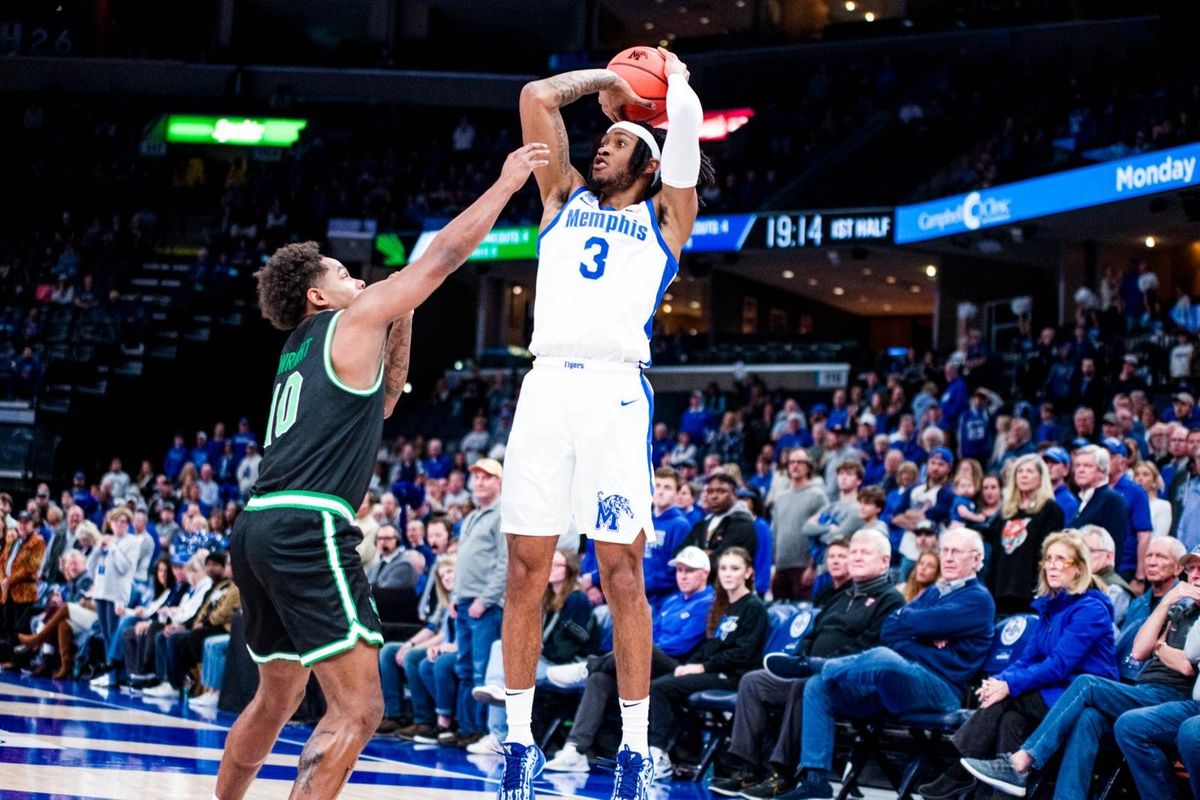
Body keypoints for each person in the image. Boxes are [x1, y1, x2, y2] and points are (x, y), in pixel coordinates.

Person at [214, 143, 549, 800]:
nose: (359, 279)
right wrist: (507, 183)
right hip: (308, 525)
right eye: (344, 272)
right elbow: (446, 256)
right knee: (360, 709)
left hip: (257, 527)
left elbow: (388, 398)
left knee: (276, 698)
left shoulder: (300, 348)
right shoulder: (349, 319)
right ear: (318, 293)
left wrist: (406, 314)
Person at [497, 45, 713, 799]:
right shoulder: (560, 197)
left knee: (622, 572)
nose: (603, 144)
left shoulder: (666, 218)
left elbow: (684, 129)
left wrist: (673, 85)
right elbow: (536, 96)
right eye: (605, 137)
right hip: (546, 386)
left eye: (617, 140)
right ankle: (519, 742)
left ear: (648, 165)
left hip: (618, 395)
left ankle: (634, 748)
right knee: (526, 569)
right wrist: (611, 85)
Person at [963, 541, 1200, 799]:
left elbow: (1188, 665)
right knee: (1088, 717)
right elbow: (1139, 651)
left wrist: (1160, 646)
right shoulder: (1180, 606)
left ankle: (1021, 763)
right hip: (1144, 692)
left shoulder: (1092, 607)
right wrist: (1168, 601)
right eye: (1191, 568)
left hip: (1175, 696)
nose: (1195, 575)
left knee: (1087, 684)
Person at [788, 527, 995, 800]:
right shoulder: (933, 593)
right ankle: (815, 778)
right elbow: (891, 628)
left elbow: (908, 623)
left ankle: (815, 663)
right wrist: (926, 637)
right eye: (944, 550)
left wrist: (916, 627)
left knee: (882, 657)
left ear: (977, 558)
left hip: (941, 689)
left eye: (956, 552)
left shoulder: (978, 599)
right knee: (818, 686)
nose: (948, 557)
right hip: (898, 683)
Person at [919, 532, 1117, 799]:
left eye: (1062, 560)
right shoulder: (1051, 607)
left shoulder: (1091, 609)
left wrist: (1008, 686)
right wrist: (998, 681)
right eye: (1049, 559)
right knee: (1011, 719)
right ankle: (1002, 790)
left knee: (1007, 699)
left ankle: (958, 773)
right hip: (1052, 691)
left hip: (1081, 698)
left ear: (1079, 568)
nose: (1053, 565)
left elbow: (1058, 665)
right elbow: (1026, 659)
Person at [713, 530, 903, 798]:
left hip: (850, 681)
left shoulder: (891, 600)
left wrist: (818, 664)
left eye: (865, 552)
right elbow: (812, 633)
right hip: (811, 671)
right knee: (754, 681)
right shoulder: (838, 595)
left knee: (804, 685)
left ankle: (783, 774)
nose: (857, 557)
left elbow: (871, 647)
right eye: (855, 552)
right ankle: (748, 770)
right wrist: (800, 657)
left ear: (884, 562)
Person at [986, 454, 1064, 616]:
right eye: (1020, 471)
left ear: (1041, 477)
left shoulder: (1051, 510)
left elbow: (1047, 554)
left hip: (1030, 591)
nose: (1024, 475)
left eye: (1029, 471)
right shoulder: (1006, 512)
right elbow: (995, 553)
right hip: (1001, 590)